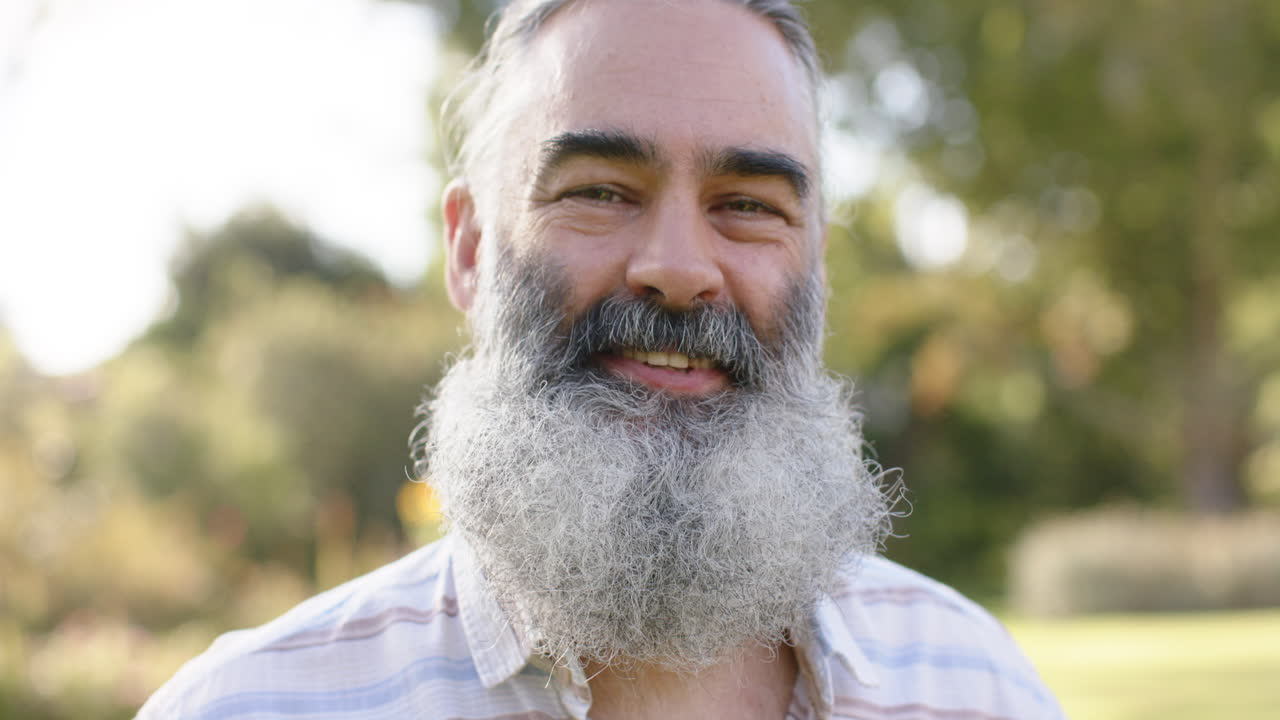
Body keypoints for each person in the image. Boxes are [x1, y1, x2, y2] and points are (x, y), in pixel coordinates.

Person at [138, 1, 1065, 718]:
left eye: (747, 204)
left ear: (815, 257)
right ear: (468, 250)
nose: (678, 269)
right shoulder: (252, 705)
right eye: (601, 191)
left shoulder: (975, 687)